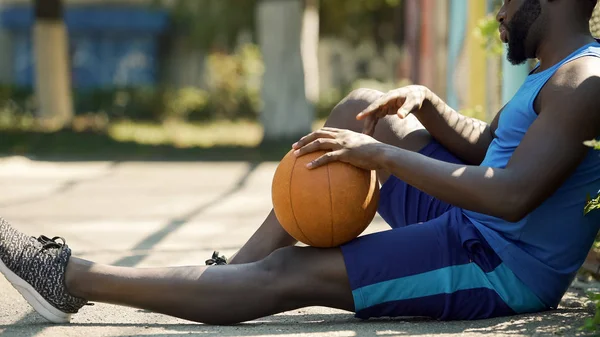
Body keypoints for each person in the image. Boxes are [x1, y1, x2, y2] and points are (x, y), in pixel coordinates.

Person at [1, 0, 600, 325]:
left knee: (290, 273)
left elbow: (511, 193)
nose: (496, 13)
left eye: (503, 0)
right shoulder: (555, 70)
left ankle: (69, 277)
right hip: (477, 228)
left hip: (497, 266)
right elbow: (486, 145)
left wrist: (381, 154)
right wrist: (429, 106)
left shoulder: (585, 81)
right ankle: (229, 275)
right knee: (362, 108)